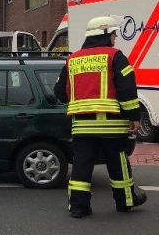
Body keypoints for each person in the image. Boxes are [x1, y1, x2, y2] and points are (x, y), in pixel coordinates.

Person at [53, 16, 147, 218]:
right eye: (113, 34)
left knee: (81, 166)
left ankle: (78, 207)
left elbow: (59, 91)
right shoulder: (115, 56)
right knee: (118, 164)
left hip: (82, 127)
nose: (115, 38)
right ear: (105, 34)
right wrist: (134, 116)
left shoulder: (72, 59)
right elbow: (127, 89)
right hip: (112, 126)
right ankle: (125, 202)